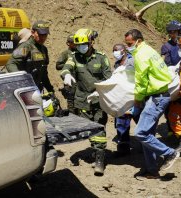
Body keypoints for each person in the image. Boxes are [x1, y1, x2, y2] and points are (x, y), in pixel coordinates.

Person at [124, 29, 179, 179]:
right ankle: (151, 170)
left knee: (140, 132)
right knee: (148, 134)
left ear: (138, 41)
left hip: (157, 97)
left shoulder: (141, 55)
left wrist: (137, 98)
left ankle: (170, 153)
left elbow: (141, 81)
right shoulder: (149, 50)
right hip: (158, 94)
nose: (127, 46)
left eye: (129, 43)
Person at [61, 28, 111, 176]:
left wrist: (100, 90)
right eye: (78, 45)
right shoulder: (74, 56)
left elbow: (109, 78)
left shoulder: (101, 58)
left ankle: (99, 160)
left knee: (100, 127)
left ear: (91, 42)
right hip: (82, 100)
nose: (81, 47)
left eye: (84, 44)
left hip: (99, 99)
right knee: (89, 128)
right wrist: (66, 75)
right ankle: (95, 150)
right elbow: (66, 67)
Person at [6, 20, 54, 93]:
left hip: (36, 89)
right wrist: (21, 80)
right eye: (40, 34)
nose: (43, 37)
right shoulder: (25, 47)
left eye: (45, 35)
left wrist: (50, 90)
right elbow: (11, 63)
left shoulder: (44, 49)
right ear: (32, 32)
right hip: (24, 89)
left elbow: (43, 73)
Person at [111, 44, 140, 155]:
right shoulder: (117, 64)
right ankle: (123, 148)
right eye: (113, 50)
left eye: (116, 50)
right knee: (121, 124)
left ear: (123, 51)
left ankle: (146, 146)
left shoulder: (132, 61)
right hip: (122, 99)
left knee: (140, 121)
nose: (115, 53)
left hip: (135, 97)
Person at [56, 35, 77, 113]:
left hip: (78, 81)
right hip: (69, 82)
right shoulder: (65, 53)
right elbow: (58, 65)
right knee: (71, 103)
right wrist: (68, 64)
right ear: (68, 43)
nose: (75, 44)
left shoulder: (79, 53)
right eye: (73, 42)